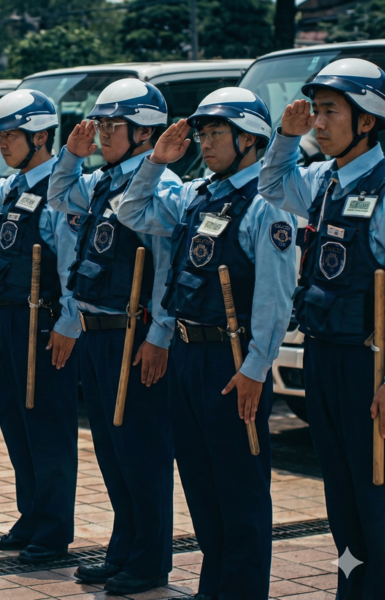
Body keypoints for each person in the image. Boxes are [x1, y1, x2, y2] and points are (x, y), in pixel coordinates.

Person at [117, 88, 296, 600]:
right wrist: (156, 161)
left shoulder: (268, 204)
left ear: (249, 139)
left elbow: (274, 298)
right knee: (200, 478)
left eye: (215, 133)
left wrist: (257, 368)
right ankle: (214, 586)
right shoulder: (198, 194)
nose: (204, 142)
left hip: (232, 357)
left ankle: (241, 591)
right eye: (203, 132)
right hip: (187, 352)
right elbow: (134, 211)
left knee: (239, 485)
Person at [258, 58, 385, 599]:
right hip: (324, 355)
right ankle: (353, 589)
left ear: (367, 121)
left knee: (376, 490)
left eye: (331, 111)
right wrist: (285, 138)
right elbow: (270, 184)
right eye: (317, 111)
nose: (319, 122)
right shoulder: (323, 180)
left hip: (370, 363)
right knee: (341, 492)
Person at [47, 79, 178, 594]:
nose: (100, 133)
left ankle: (149, 560)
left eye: (111, 126)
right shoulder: (102, 181)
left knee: (142, 450)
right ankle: (125, 549)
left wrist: (161, 335)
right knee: (112, 450)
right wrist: (70, 154)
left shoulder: (161, 187)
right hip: (97, 331)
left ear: (145, 132)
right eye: (98, 123)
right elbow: (58, 195)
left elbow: (165, 268)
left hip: (135, 332)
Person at [0, 90, 80, 565]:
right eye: (1, 135)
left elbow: (73, 262)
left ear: (40, 136)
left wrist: (69, 322)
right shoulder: (14, 186)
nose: (3, 144)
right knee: (16, 423)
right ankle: (30, 517)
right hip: (5, 314)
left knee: (47, 426)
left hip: (41, 320)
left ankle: (53, 530)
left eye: (11, 135)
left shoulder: (61, 186)